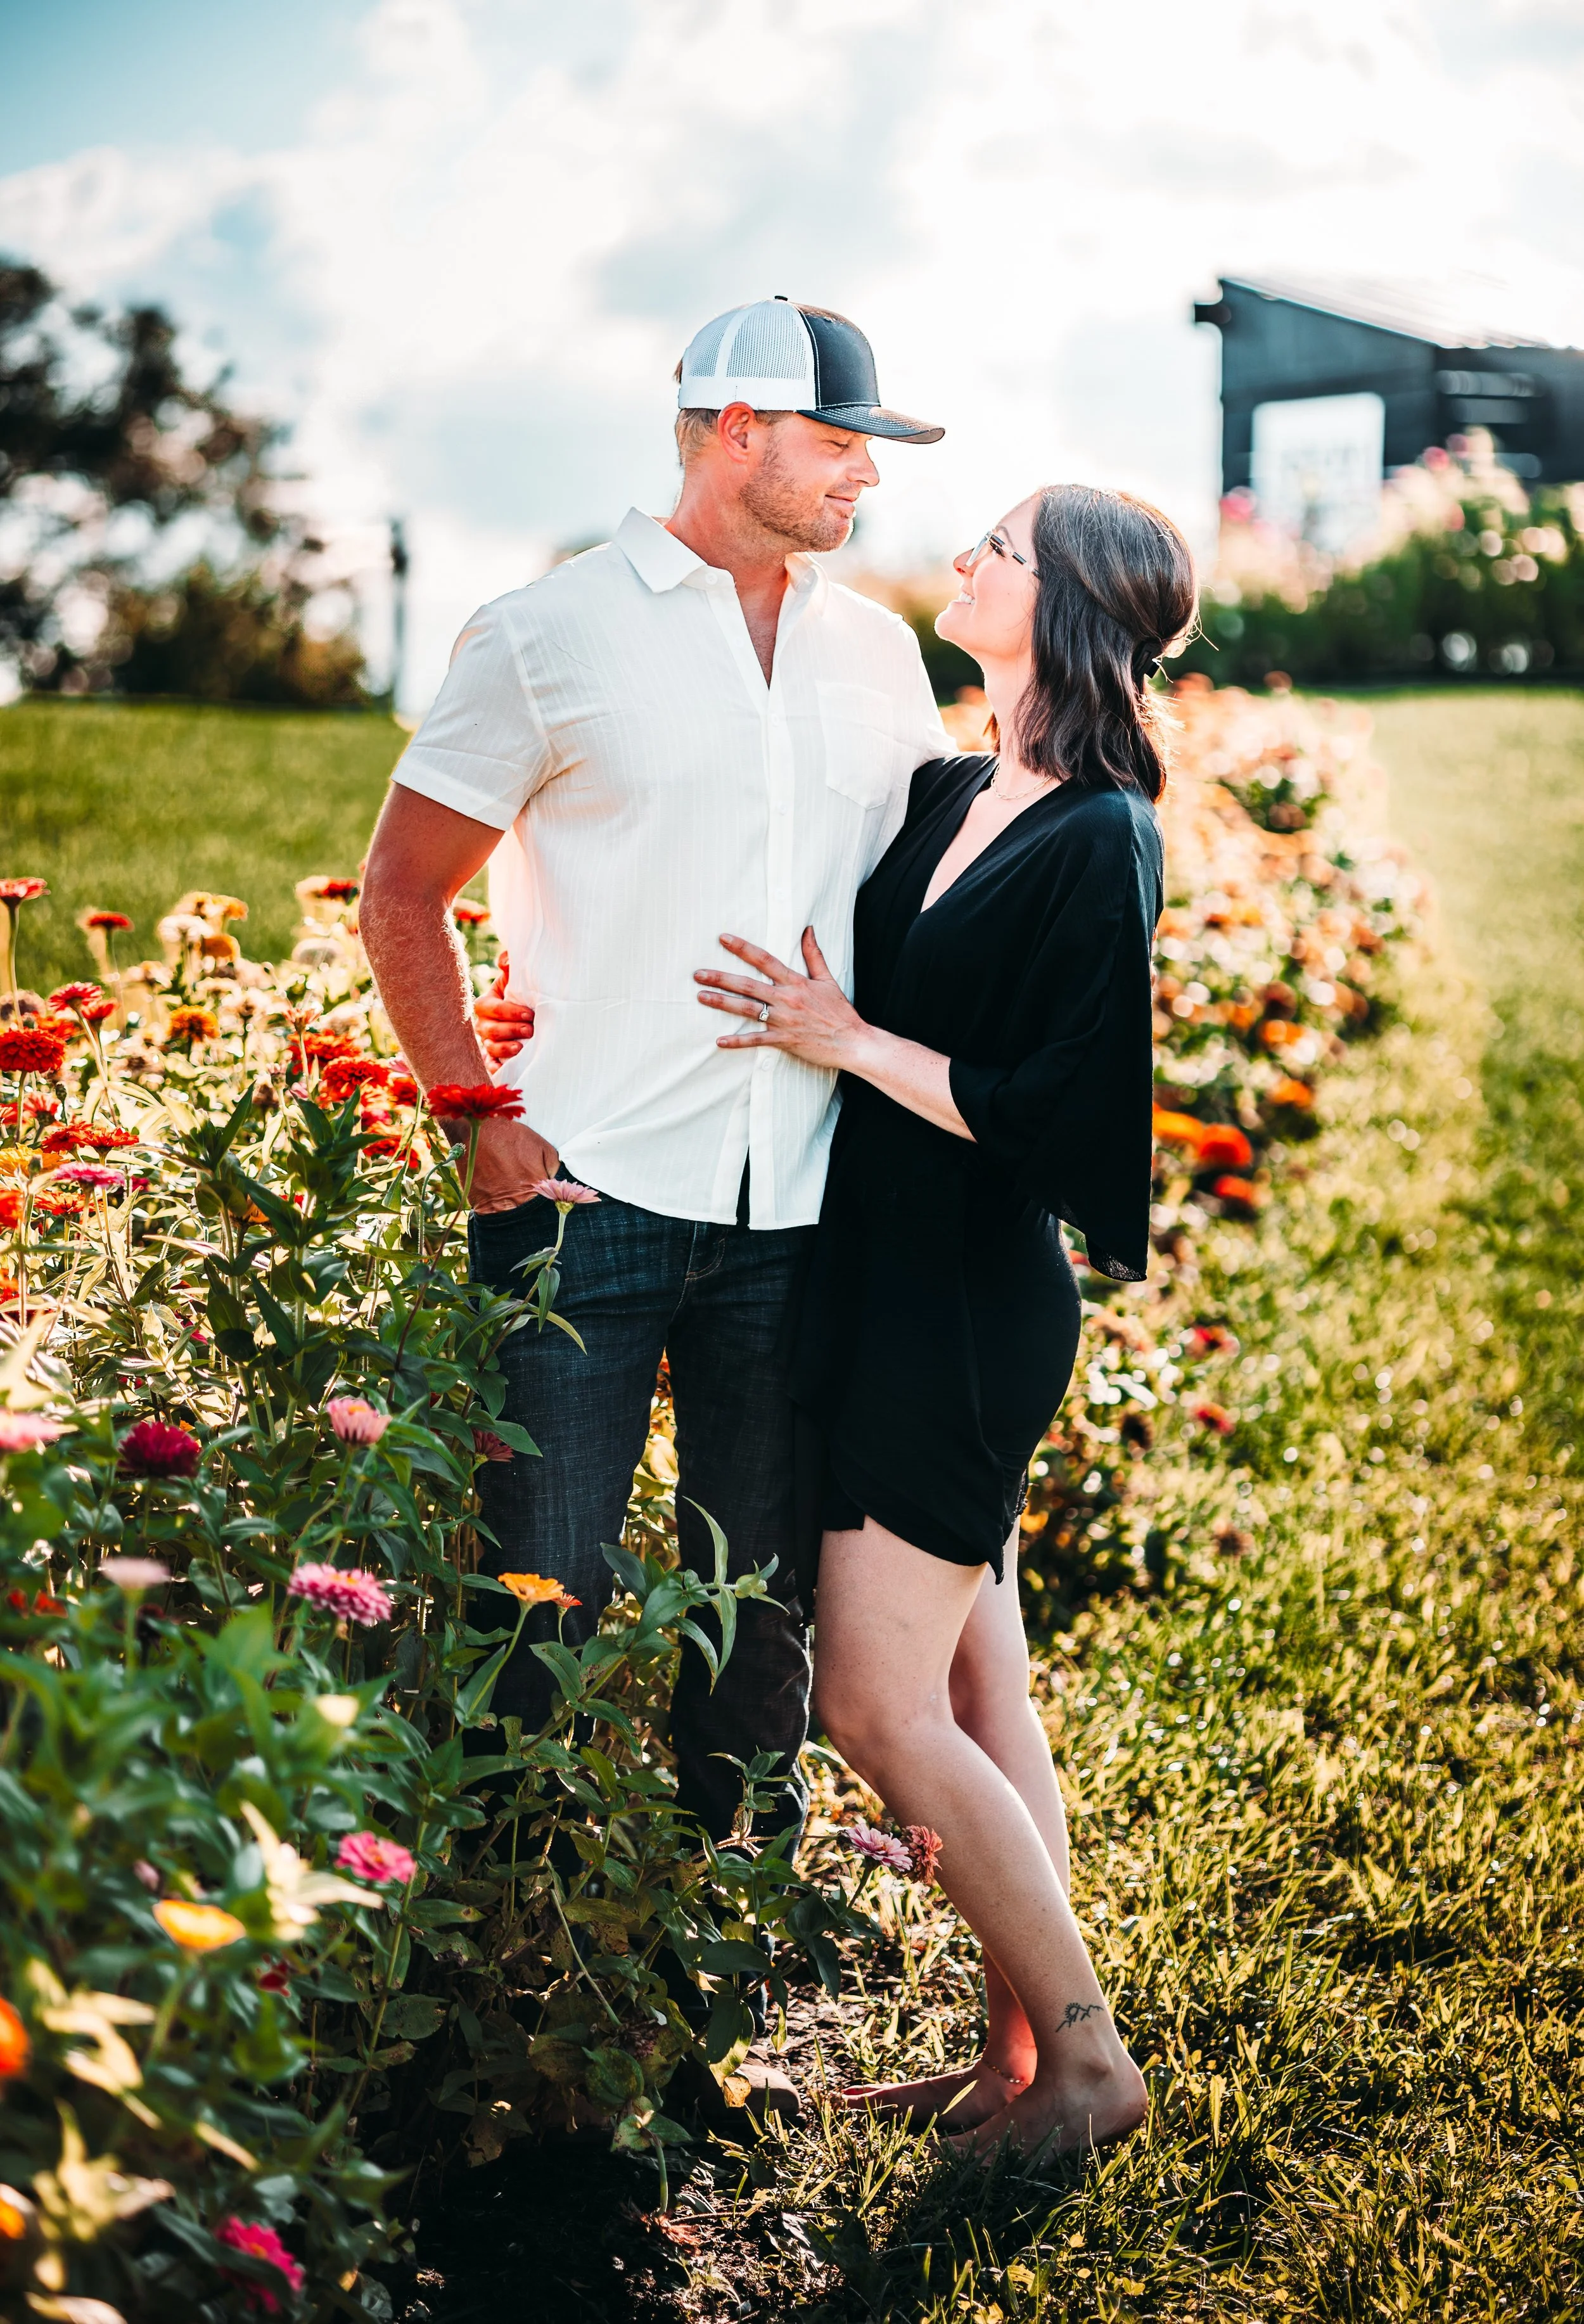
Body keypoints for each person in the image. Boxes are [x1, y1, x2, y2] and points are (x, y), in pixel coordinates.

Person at [360, 302, 951, 1893]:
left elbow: (928, 897)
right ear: (735, 428)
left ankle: (714, 1926)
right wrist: (474, 1114)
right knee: (535, 1601)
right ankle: (501, 1932)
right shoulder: (542, 633)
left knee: (750, 1604)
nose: (864, 483)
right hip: (586, 1198)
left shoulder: (877, 652)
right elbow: (401, 891)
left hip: (802, 1205)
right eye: (840, 446)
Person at [687, 482, 1195, 2157]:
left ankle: (1094, 2064)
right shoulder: (950, 790)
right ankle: (1022, 2063)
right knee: (986, 1700)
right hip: (877, 1278)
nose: (963, 557)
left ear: (1061, 606)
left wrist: (842, 1039)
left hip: (966, 1311)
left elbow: (1061, 1113)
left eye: (998, 546)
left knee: (874, 1706)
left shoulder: (1101, 832)